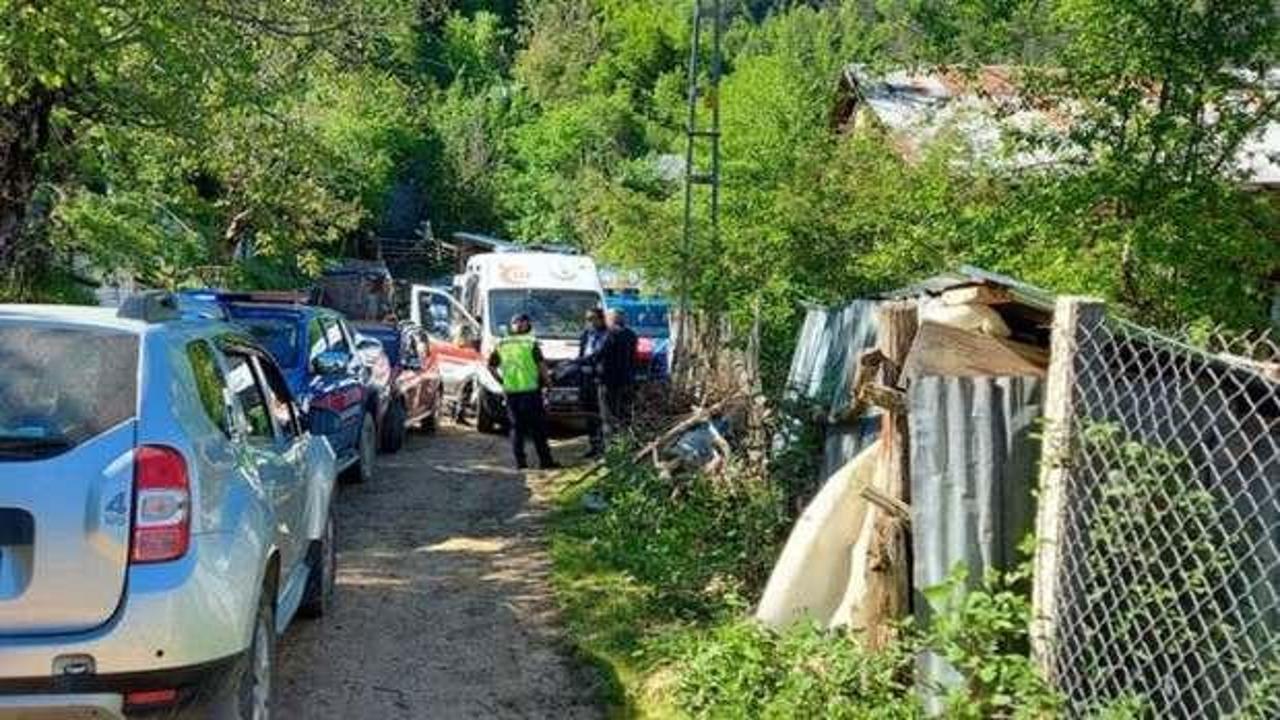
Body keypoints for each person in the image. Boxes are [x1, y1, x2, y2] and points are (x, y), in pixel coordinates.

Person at [488, 313, 559, 470]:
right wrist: (549, 384)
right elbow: (541, 367)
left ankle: (520, 463)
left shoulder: (502, 343)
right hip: (530, 391)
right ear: (528, 325)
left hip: (511, 392)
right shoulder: (531, 343)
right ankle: (545, 461)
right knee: (538, 428)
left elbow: (491, 366)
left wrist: (502, 381)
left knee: (516, 428)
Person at [597, 308, 638, 437]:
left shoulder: (609, 334)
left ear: (610, 319)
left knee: (608, 416)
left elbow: (600, 355)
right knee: (625, 415)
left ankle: (612, 447)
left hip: (609, 381)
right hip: (627, 380)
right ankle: (626, 442)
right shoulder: (631, 335)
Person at [578, 308, 609, 457]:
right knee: (589, 413)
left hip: (600, 378)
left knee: (601, 414)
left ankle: (603, 448)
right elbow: (582, 353)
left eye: (592, 318)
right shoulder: (586, 335)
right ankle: (593, 445)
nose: (589, 322)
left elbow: (598, 354)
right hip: (585, 379)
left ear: (601, 319)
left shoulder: (606, 334)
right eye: (587, 319)